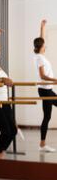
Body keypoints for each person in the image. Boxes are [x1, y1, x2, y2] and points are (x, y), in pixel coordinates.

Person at [33, 20, 57, 152]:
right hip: (45, 90)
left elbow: (41, 39)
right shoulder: (39, 58)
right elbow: (42, 76)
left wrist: (42, 26)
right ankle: (42, 144)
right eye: (44, 45)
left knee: (47, 117)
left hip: (48, 90)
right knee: (47, 117)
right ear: (41, 46)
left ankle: (42, 144)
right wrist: (55, 80)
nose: (45, 45)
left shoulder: (39, 54)